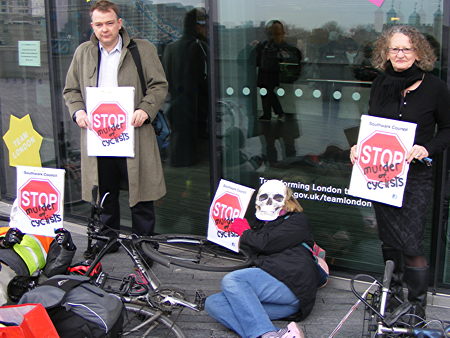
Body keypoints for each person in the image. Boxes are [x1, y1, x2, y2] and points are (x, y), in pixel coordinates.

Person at [350, 25, 450, 324]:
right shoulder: (380, 83)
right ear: (386, 53)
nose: (400, 54)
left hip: (416, 177)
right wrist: (358, 146)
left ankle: (416, 306)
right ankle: (390, 296)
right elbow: (372, 125)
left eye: (406, 49)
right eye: (395, 49)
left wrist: (426, 149)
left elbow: (447, 130)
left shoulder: (435, 87)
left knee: (411, 244)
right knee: (389, 241)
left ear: (418, 52)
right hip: (380, 174)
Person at [63, 1, 168, 241]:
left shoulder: (142, 50)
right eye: (99, 24)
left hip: (133, 134)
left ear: (119, 23)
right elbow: (71, 91)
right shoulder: (83, 53)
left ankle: (144, 245)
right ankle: (106, 241)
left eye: (110, 23)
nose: (105, 29)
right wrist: (78, 112)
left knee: (140, 193)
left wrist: (145, 109)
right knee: (104, 191)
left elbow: (159, 85)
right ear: (93, 26)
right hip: (100, 137)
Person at [205, 179, 327, 338]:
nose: (270, 202)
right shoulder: (260, 224)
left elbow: (266, 243)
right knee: (213, 303)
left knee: (234, 280)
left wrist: (245, 232)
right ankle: (272, 334)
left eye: (277, 198)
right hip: (276, 292)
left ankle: (267, 333)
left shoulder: (297, 220)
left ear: (287, 200)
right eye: (264, 198)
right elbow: (254, 248)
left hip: (292, 283)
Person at [162, 8, 208, 167]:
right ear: (197, 26)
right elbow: (204, 79)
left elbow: (166, 77)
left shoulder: (171, 48)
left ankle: (178, 160)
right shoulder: (199, 46)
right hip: (195, 102)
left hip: (176, 101)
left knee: (179, 135)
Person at [0, 227, 76, 304]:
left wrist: (67, 249)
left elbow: (52, 272)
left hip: (12, 274)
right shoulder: (8, 228)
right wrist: (3, 242)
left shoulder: (50, 239)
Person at [256, 20, 302, 122]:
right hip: (266, 73)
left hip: (274, 74)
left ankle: (277, 113)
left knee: (269, 93)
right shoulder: (264, 46)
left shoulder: (287, 48)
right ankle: (269, 114)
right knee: (266, 94)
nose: (273, 37)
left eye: (276, 33)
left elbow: (293, 62)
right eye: (271, 33)